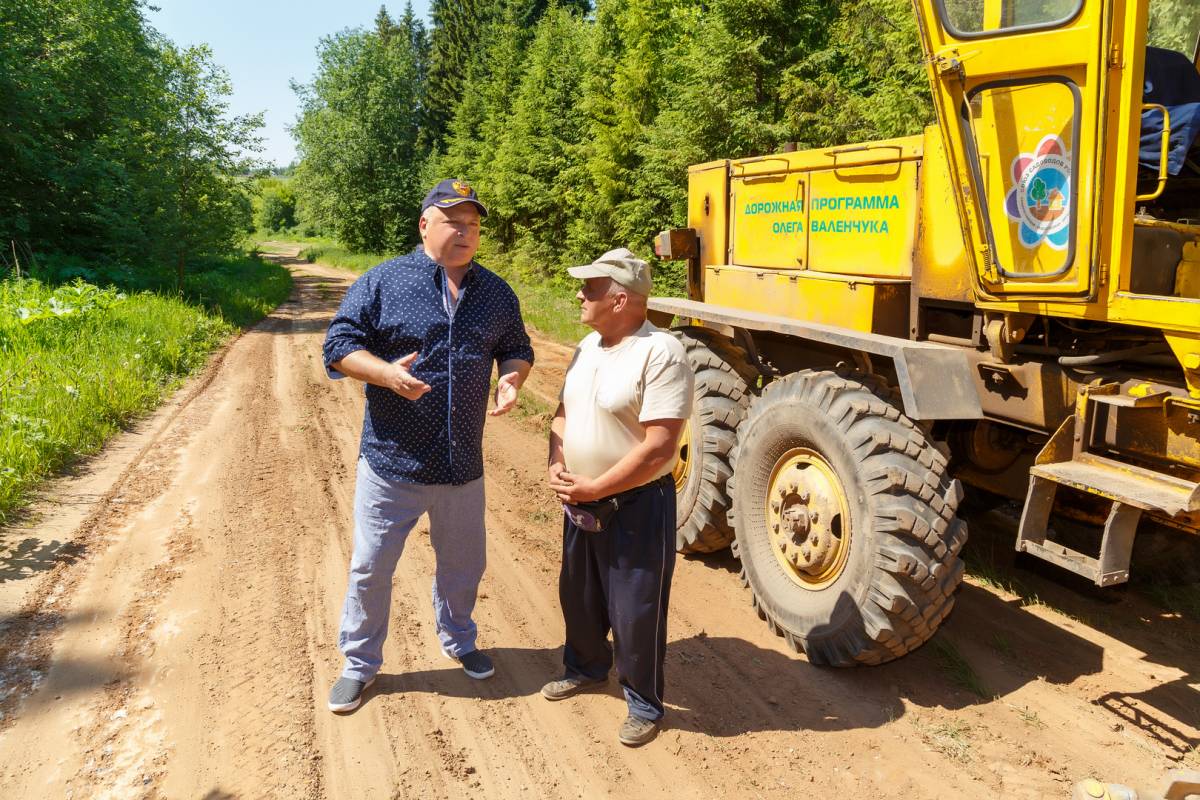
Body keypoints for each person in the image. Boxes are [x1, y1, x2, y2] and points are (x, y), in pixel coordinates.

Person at [322, 179, 534, 713]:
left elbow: (517, 347)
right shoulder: (384, 282)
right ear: (425, 225)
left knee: (464, 568)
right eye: (453, 221)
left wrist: (512, 378)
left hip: (462, 466)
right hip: (392, 462)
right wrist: (386, 375)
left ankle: (460, 640)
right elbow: (338, 346)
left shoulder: (495, 291)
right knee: (371, 566)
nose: (466, 232)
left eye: (474, 224)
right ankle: (359, 664)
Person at [542, 247, 694, 747]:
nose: (580, 294)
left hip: (634, 506)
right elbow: (562, 414)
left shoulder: (661, 352)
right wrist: (557, 464)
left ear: (621, 298)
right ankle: (585, 668)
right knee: (580, 597)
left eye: (591, 288)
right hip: (579, 498)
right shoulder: (587, 346)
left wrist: (597, 487)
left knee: (636, 609)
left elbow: (659, 447)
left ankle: (645, 703)